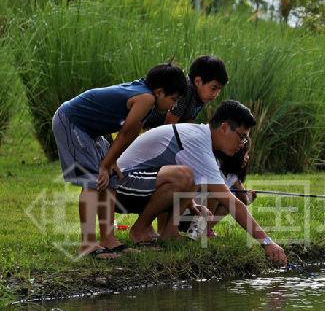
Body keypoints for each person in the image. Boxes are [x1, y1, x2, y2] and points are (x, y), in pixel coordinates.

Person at [115, 100, 287, 267]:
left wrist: (191, 204)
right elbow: (231, 202)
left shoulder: (200, 138)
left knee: (187, 177)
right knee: (185, 175)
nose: (242, 145)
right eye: (241, 137)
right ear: (224, 128)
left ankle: (169, 233)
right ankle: (140, 229)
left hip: (136, 185)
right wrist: (266, 242)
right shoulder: (198, 142)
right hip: (120, 187)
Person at [52, 63, 188, 258]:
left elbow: (131, 131)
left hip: (92, 130)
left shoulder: (148, 98)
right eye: (173, 99)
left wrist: (112, 162)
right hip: (72, 121)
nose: (173, 106)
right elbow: (125, 133)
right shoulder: (146, 98)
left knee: (112, 180)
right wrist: (105, 165)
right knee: (93, 181)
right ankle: (87, 244)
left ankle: (108, 238)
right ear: (159, 92)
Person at [142, 55, 228, 129]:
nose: (216, 94)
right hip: (151, 126)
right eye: (214, 88)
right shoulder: (185, 92)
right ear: (198, 81)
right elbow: (169, 123)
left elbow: (188, 121)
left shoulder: (200, 95)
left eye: (219, 90)